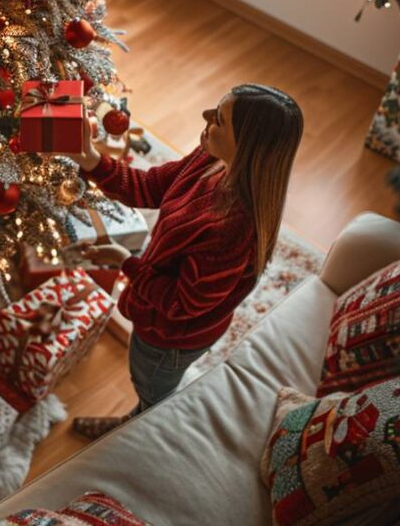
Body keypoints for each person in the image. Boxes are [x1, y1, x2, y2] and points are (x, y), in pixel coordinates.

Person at [71, 83, 304, 440]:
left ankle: (136, 430)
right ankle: (139, 418)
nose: (206, 117)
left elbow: (181, 304)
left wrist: (126, 262)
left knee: (150, 388)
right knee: (149, 382)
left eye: (220, 120)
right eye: (216, 108)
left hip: (171, 337)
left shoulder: (232, 229)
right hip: (160, 313)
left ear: (246, 145)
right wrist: (88, 156)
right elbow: (150, 186)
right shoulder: (210, 157)